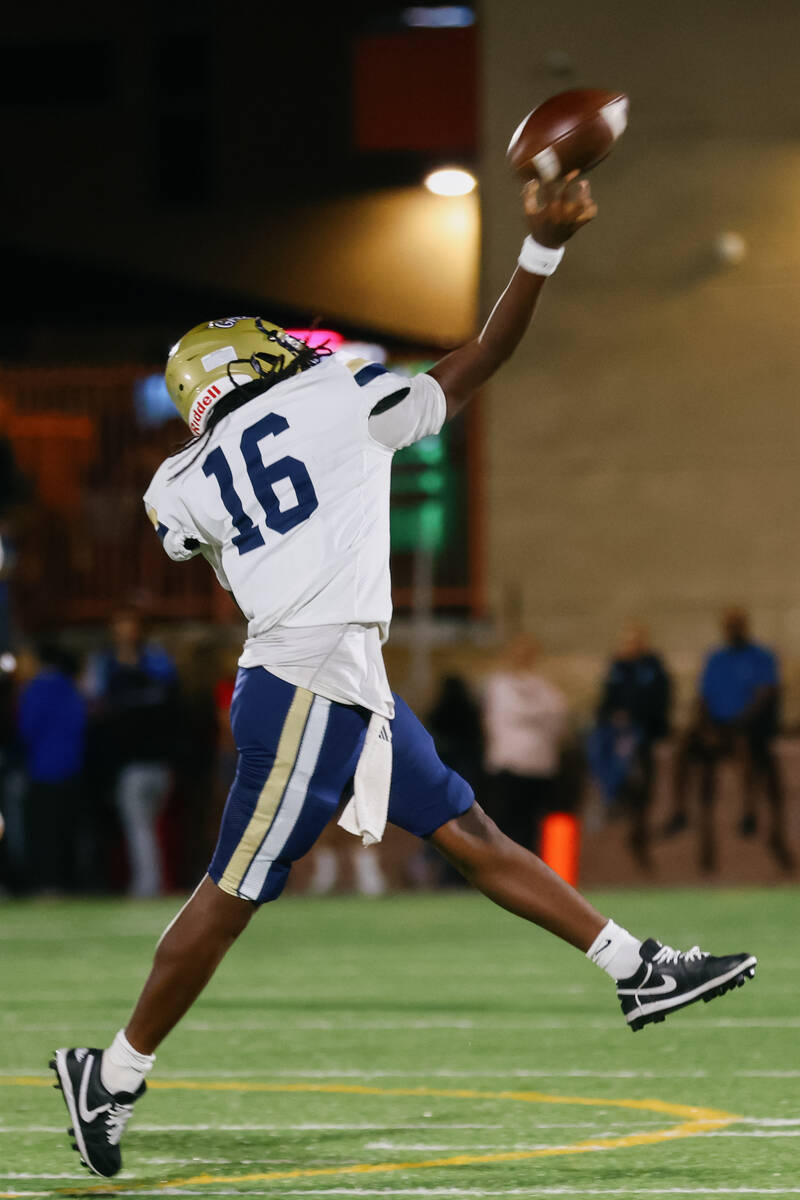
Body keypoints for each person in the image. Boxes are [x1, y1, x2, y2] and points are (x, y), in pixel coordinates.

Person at [51, 173, 756, 1180]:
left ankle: (634, 967)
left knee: (468, 832)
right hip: (306, 681)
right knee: (237, 886)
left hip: (332, 671)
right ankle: (111, 1073)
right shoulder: (334, 395)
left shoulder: (181, 480)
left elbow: (194, 524)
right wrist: (541, 249)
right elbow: (480, 357)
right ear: (257, 360)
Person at [665, 606, 793, 872]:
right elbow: (703, 697)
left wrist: (740, 723)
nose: (733, 629)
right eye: (729, 625)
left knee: (744, 748)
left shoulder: (761, 657)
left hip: (747, 728)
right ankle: (679, 811)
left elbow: (765, 694)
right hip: (717, 726)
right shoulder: (716, 659)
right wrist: (705, 726)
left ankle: (749, 812)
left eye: (737, 624)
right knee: (683, 746)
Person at [84, 608, 179, 897]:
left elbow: (171, 701)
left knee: (146, 829)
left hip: (156, 761)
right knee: (141, 828)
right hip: (128, 763)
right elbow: (92, 701)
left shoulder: (155, 662)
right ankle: (150, 883)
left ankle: (149, 885)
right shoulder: (105, 663)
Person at [590, 622, 671, 869]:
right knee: (594, 744)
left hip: (642, 730)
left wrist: (635, 717)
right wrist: (611, 716)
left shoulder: (653, 668)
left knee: (627, 750)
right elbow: (605, 700)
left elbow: (658, 701)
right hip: (614, 729)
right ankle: (607, 793)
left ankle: (615, 796)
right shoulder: (616, 668)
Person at [483, 634, 568, 852]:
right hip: (509, 765)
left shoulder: (544, 687)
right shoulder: (499, 685)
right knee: (505, 825)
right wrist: (540, 714)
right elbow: (512, 712)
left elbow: (558, 713)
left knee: (532, 826)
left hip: (539, 766)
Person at [17, 642, 87, 892]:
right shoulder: (70, 687)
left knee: (45, 831)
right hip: (72, 769)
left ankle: (48, 884)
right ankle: (70, 883)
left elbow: (26, 729)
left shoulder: (35, 688)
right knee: (67, 830)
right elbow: (81, 724)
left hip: (43, 769)